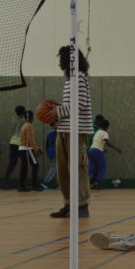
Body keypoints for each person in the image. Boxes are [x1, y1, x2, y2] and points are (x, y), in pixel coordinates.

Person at [50, 46, 93, 218]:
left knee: (77, 168)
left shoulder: (79, 78)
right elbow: (69, 106)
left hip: (76, 131)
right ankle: (69, 204)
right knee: (63, 170)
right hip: (64, 129)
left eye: (62, 59)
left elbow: (80, 103)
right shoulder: (70, 80)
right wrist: (57, 115)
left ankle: (82, 206)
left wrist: (58, 111)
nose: (60, 62)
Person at [88, 118, 123, 189]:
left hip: (91, 150)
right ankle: (97, 183)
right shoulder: (104, 133)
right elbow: (107, 142)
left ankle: (86, 182)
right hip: (97, 151)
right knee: (103, 168)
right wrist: (117, 149)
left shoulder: (97, 132)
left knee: (92, 167)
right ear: (107, 127)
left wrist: (103, 149)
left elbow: (97, 142)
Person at [0, 105, 26, 189]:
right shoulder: (24, 121)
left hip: (12, 143)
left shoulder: (14, 121)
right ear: (24, 112)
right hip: (20, 143)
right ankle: (22, 184)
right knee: (24, 164)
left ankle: (4, 181)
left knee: (12, 163)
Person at [17, 110, 42, 192]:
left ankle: (22, 186)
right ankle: (34, 185)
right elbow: (30, 139)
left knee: (24, 167)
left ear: (24, 117)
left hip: (22, 148)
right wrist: (36, 149)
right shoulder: (30, 126)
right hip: (27, 148)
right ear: (32, 118)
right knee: (35, 165)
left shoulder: (24, 125)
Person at [41, 121, 58, 190]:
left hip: (51, 152)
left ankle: (59, 184)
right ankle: (45, 183)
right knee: (53, 168)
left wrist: (48, 153)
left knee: (55, 168)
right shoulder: (57, 133)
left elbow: (47, 144)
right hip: (55, 152)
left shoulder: (50, 133)